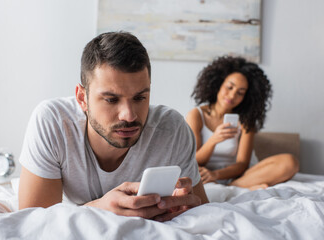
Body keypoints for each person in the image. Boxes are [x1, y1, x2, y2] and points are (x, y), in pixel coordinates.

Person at [18, 31, 208, 221]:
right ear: (82, 98)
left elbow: (203, 212)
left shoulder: (172, 130)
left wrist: (183, 210)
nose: (129, 115)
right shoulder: (54, 122)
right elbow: (33, 222)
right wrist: (99, 209)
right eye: (111, 99)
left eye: (140, 97)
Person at [186, 56, 299, 190]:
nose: (232, 95)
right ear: (218, 84)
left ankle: (233, 186)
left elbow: (242, 164)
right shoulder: (196, 115)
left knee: (290, 162)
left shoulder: (245, 120)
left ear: (246, 97)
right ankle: (243, 186)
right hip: (204, 176)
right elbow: (194, 160)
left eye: (240, 93)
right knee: (188, 171)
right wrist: (213, 141)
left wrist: (216, 175)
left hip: (236, 176)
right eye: (230, 87)